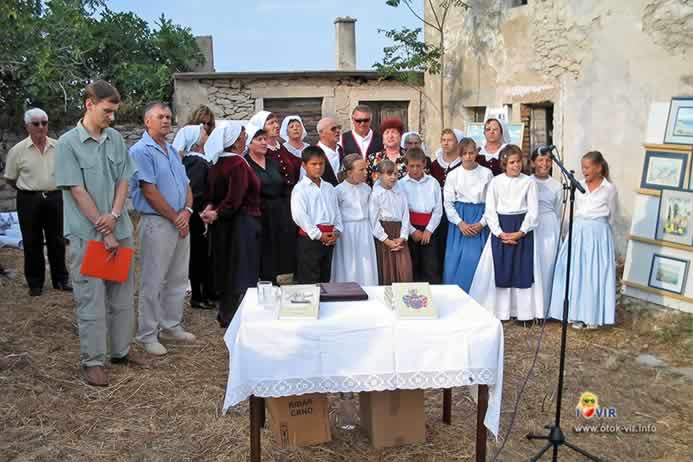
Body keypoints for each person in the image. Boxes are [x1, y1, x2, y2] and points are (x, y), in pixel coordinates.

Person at [55, 80, 148, 386]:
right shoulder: (68, 144)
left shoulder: (115, 139)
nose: (112, 117)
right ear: (89, 104)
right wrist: (102, 226)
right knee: (91, 298)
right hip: (88, 235)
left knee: (121, 294)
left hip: (117, 229)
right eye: (108, 111)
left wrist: (115, 216)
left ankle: (120, 351)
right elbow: (78, 191)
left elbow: (124, 180)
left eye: (115, 111)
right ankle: (93, 360)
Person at [130, 102, 196, 356]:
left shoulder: (171, 150)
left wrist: (187, 212)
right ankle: (148, 333)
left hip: (180, 220)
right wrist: (174, 216)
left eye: (169, 117)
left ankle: (171, 325)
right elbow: (149, 190)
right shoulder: (141, 151)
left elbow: (187, 185)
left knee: (178, 277)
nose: (166, 121)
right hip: (158, 222)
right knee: (153, 279)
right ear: (148, 121)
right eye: (161, 117)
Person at [470, 145, 544, 322]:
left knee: (523, 270)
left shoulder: (528, 182)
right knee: (500, 268)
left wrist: (521, 231)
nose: (516, 165)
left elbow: (533, 211)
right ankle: (501, 312)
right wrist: (499, 233)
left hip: (522, 228)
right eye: (512, 162)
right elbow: (490, 210)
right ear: (504, 163)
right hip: (501, 227)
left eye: (518, 162)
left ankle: (524, 313)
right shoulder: (496, 182)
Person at [4, 108, 70, 296]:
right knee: (32, 241)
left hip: (55, 197)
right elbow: (10, 178)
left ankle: (60, 280)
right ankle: (35, 283)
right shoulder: (17, 151)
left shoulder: (60, 147)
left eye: (44, 122)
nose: (41, 127)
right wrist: (29, 191)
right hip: (29, 199)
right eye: (36, 123)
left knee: (57, 240)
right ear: (27, 127)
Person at [549, 151, 617, 329]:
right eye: (582, 167)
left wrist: (602, 234)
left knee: (593, 273)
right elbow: (573, 210)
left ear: (598, 168)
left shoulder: (608, 189)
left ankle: (592, 315)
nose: (584, 171)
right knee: (577, 272)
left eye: (587, 167)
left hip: (598, 233)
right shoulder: (577, 186)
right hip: (579, 231)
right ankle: (575, 313)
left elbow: (612, 214)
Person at [205, 123, 261, 328]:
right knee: (243, 268)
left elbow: (214, 195)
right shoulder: (237, 164)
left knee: (229, 266)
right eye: (244, 133)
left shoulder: (218, 163)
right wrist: (218, 212)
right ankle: (238, 316)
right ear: (237, 140)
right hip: (243, 222)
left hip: (225, 224)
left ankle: (227, 313)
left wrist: (212, 211)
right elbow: (234, 198)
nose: (246, 136)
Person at [245, 125, 296, 283]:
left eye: (265, 139)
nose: (263, 142)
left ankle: (278, 283)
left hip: (279, 211)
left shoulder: (273, 162)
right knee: (263, 250)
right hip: (259, 213)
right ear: (249, 143)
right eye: (259, 139)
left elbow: (283, 184)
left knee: (279, 250)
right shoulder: (246, 164)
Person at [443, 138, 493, 292]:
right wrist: (460, 223)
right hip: (460, 221)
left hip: (479, 218)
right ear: (460, 155)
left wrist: (482, 223)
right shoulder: (453, 175)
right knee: (455, 262)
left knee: (476, 261)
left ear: (476, 153)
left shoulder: (486, 173)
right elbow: (448, 202)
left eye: (471, 153)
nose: (468, 157)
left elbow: (491, 202)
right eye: (464, 154)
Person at [291, 146, 343, 284]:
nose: (318, 168)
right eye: (314, 164)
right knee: (310, 280)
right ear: (304, 165)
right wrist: (319, 235)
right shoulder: (300, 189)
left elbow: (336, 212)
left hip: (329, 239)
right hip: (310, 240)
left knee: (326, 278)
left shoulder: (329, 188)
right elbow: (300, 216)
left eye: (321, 164)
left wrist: (337, 231)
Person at [177, 125, 215, 309]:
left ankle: (203, 294)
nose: (206, 135)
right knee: (198, 256)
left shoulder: (199, 160)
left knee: (201, 256)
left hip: (200, 214)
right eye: (203, 132)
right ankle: (199, 296)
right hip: (198, 215)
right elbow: (196, 190)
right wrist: (203, 212)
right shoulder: (195, 162)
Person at [331, 154, 378, 286]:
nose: (365, 173)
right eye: (361, 170)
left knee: (366, 262)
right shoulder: (338, 191)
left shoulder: (367, 189)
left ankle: (368, 288)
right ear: (349, 172)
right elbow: (335, 214)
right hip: (346, 231)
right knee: (348, 262)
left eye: (366, 169)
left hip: (364, 229)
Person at [399, 148, 443, 283]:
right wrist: (412, 231)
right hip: (409, 228)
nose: (415, 169)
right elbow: (400, 211)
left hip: (430, 229)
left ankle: (432, 298)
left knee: (431, 267)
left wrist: (429, 230)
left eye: (418, 165)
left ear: (424, 164)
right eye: (411, 166)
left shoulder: (433, 182)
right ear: (406, 165)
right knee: (411, 266)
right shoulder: (400, 184)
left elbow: (438, 210)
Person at [369, 159, 413, 285]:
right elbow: (374, 221)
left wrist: (403, 236)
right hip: (385, 235)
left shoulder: (400, 192)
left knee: (404, 269)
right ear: (379, 175)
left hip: (399, 233)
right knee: (387, 269)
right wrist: (386, 240)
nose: (393, 177)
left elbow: (405, 215)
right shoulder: (376, 195)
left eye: (395, 173)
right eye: (389, 174)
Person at [531, 149, 563, 310]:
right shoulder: (527, 181)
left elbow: (558, 211)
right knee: (532, 264)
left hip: (549, 226)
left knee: (548, 264)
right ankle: (531, 307)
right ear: (533, 162)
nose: (544, 164)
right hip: (531, 225)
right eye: (540, 160)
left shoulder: (557, 185)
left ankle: (546, 307)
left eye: (548, 161)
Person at [430, 128, 464, 268]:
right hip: (437, 210)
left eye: (449, 140)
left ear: (457, 143)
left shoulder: (462, 164)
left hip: (456, 209)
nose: (446, 143)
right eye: (443, 140)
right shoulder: (434, 164)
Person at [248, 111, 301, 191]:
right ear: (261, 128)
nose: (276, 126)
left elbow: (297, 162)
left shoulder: (280, 147)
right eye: (271, 123)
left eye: (276, 122)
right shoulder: (260, 152)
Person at [366, 117, 408, 185]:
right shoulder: (373, 158)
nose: (390, 136)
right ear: (383, 137)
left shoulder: (410, 156)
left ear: (400, 136)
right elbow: (367, 184)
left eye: (394, 132)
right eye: (387, 132)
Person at [315, 116, 344, 186]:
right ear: (321, 133)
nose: (337, 130)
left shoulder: (341, 150)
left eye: (339, 127)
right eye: (333, 129)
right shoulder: (314, 153)